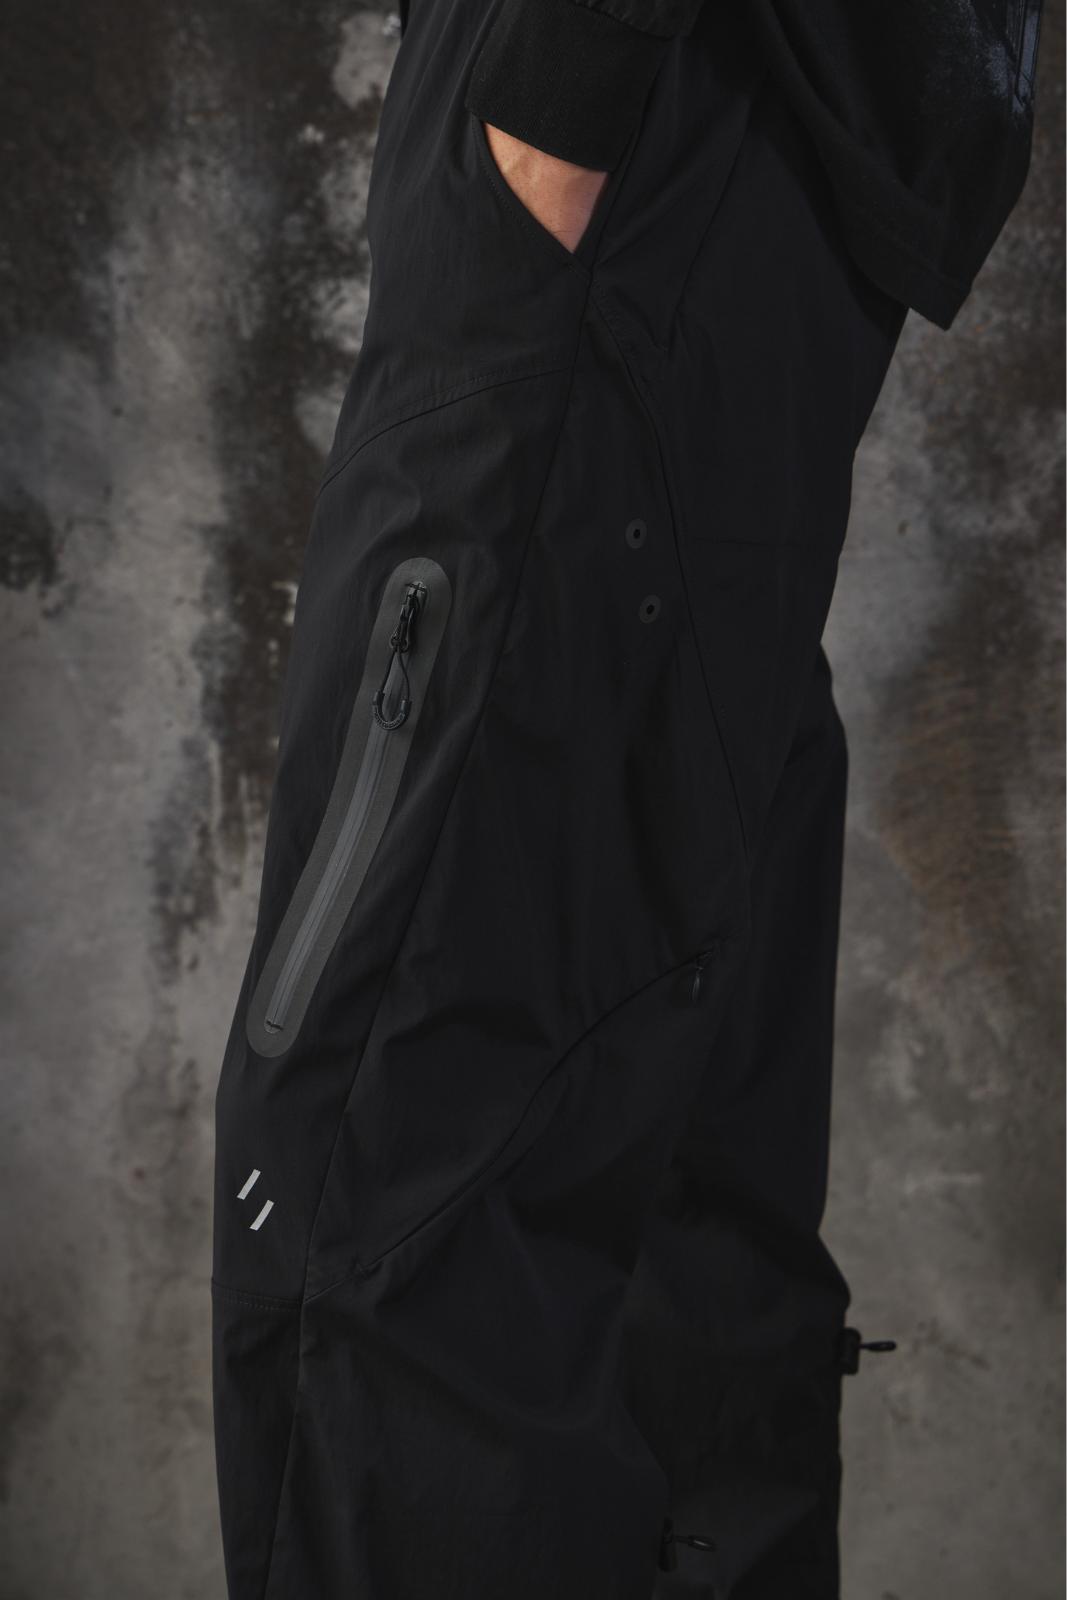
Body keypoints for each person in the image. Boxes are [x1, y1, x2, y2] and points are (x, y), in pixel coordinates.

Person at [210, 2, 1042, 1595]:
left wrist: (565, 76)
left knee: (387, 1197)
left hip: (631, 121)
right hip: (773, 146)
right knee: (669, 1225)